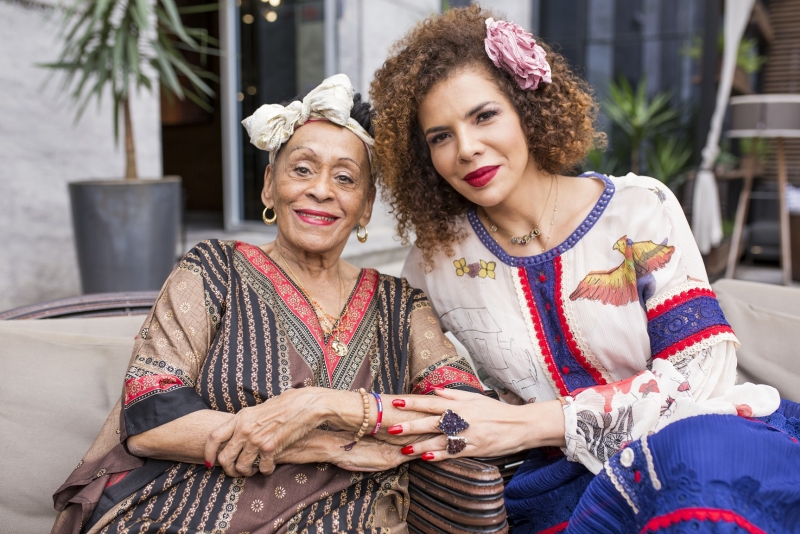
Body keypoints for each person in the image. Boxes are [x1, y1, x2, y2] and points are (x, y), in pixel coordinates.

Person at [369, 6, 800, 533]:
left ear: (526, 108)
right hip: (557, 484)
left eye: (484, 116)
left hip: (696, 445)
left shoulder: (639, 209)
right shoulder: (435, 263)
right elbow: (407, 382)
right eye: (440, 136)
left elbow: (701, 378)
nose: (467, 149)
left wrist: (529, 424)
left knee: (697, 488)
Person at [51, 74, 482, 534]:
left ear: (366, 206)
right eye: (302, 169)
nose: (321, 189)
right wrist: (325, 444)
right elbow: (149, 418)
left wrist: (324, 406)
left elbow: (464, 419)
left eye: (345, 177)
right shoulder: (213, 269)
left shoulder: (401, 306)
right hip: (181, 513)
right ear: (268, 186)